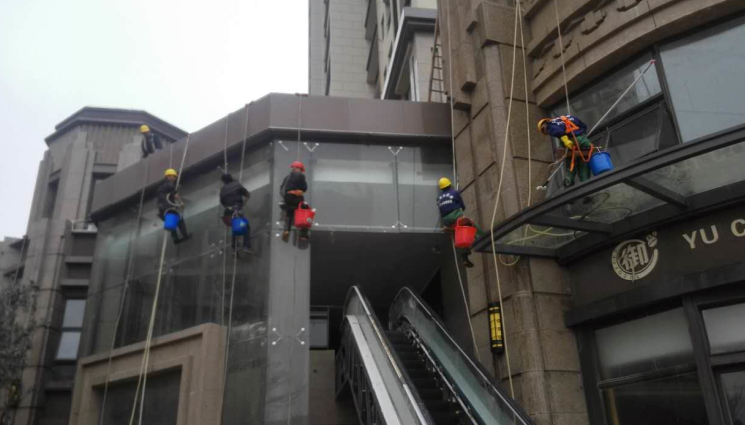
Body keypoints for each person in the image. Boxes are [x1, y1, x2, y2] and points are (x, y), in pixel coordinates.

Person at [538, 115, 593, 188]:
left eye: (545, 132)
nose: (547, 133)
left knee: (570, 160)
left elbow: (559, 132)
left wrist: (566, 141)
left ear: (543, 127)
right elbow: (583, 125)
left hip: (572, 141)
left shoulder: (549, 126)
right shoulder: (569, 117)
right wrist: (581, 135)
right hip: (584, 141)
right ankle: (585, 180)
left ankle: (569, 179)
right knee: (583, 160)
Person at [437, 177, 479, 268]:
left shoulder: (439, 198)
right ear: (449, 185)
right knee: (470, 225)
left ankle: (464, 257)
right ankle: (482, 238)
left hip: (446, 220)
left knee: (458, 234)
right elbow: (462, 206)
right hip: (455, 215)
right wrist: (460, 212)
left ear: (441, 188)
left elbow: (441, 210)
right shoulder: (454, 193)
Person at [219, 173, 252, 253]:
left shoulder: (222, 190)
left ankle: (234, 249)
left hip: (227, 212)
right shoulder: (237, 185)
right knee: (246, 227)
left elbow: (222, 202)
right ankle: (246, 247)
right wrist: (242, 204)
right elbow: (247, 195)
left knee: (236, 228)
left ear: (224, 181)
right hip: (236, 210)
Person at [157, 168, 190, 244]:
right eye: (173, 176)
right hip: (168, 207)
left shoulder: (161, 187)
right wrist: (181, 203)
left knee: (171, 222)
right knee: (180, 219)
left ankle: (175, 239)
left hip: (162, 209)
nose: (175, 178)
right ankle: (185, 235)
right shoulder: (169, 184)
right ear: (168, 176)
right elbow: (176, 195)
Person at [280, 161, 308, 242]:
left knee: (289, 213)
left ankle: (286, 230)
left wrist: (286, 196)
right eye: (301, 169)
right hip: (296, 197)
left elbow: (282, 188)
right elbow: (304, 188)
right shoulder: (301, 175)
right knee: (304, 210)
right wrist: (298, 191)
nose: (301, 171)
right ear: (298, 168)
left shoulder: (287, 177)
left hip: (287, 198)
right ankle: (303, 234)